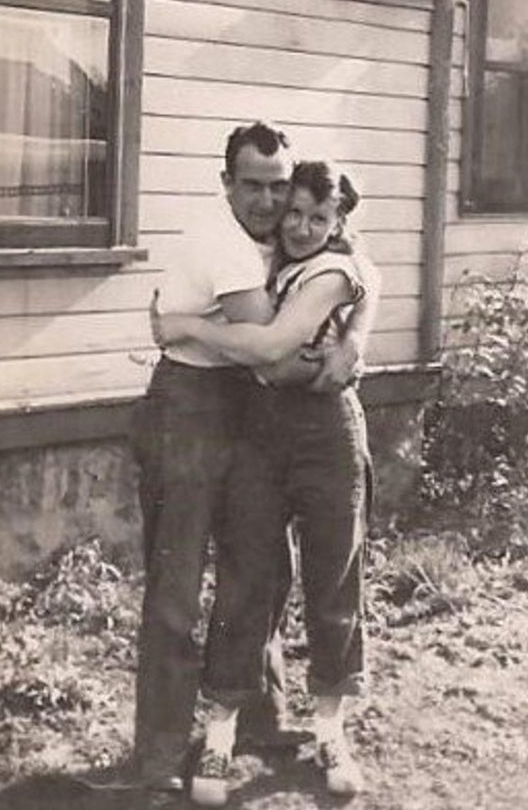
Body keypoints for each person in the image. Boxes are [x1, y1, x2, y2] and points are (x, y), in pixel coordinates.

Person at [152, 160, 376, 803]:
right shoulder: (271, 253)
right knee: (247, 575)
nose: (301, 225)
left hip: (326, 430)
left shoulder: (334, 270)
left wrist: (188, 326)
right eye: (295, 210)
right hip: (259, 432)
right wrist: (358, 335)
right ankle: (220, 733)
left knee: (333, 577)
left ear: (338, 223)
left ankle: (330, 727)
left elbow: (275, 348)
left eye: (318, 216)